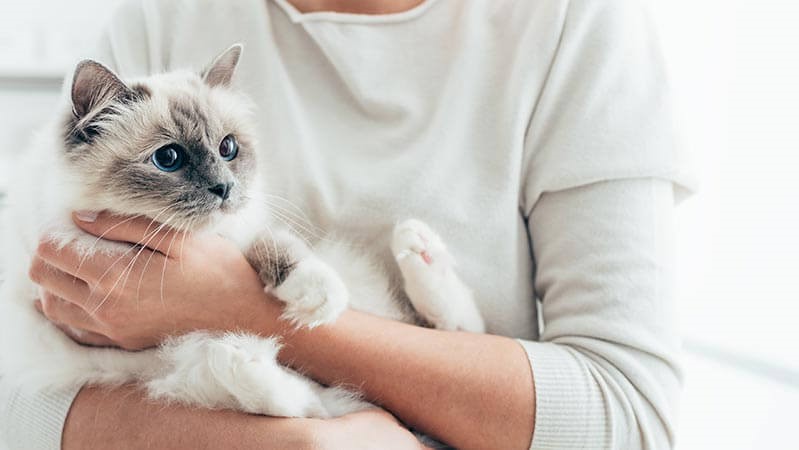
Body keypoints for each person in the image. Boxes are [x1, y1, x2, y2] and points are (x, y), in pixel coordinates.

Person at [0, 0, 695, 448]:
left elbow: (629, 420)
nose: (217, 181)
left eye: (230, 153)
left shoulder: (575, 24)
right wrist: (290, 446)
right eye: (178, 159)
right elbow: (15, 399)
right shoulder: (164, 15)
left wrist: (245, 309)